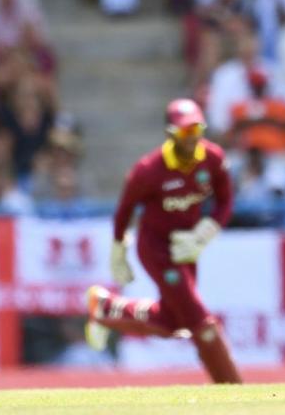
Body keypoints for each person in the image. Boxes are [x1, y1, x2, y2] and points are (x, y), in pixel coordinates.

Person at [84, 98, 241, 383]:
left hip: (188, 248)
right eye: (184, 132)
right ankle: (233, 390)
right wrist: (118, 250)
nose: (192, 138)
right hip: (156, 248)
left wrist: (205, 232)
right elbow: (124, 210)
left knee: (174, 322)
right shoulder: (149, 170)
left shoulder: (213, 158)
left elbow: (225, 200)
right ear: (170, 133)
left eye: (196, 130)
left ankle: (106, 308)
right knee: (199, 321)